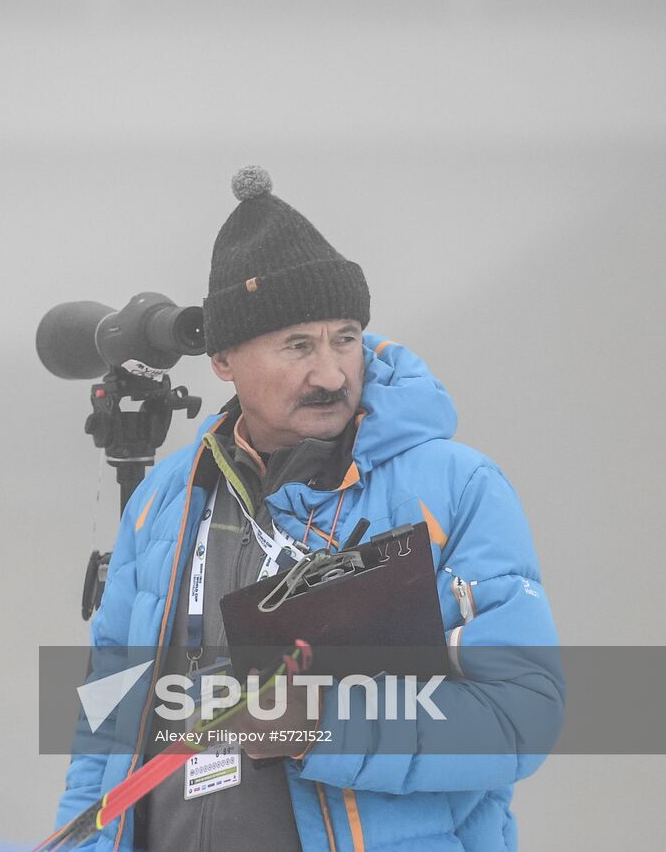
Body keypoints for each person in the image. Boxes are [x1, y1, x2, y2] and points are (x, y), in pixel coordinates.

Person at [56, 167, 562, 851]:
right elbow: (107, 721)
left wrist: (319, 726)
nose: (330, 374)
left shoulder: (455, 488)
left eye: (345, 338)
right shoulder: (160, 503)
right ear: (225, 360)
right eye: (298, 345)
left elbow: (520, 714)